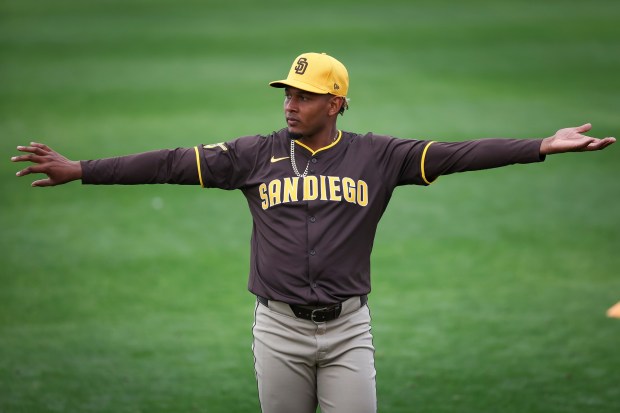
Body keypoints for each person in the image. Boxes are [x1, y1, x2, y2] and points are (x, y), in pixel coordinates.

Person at [11, 52, 615, 413]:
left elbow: (459, 154)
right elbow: (169, 162)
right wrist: (81, 170)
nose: (290, 104)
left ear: (336, 103)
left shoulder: (380, 157)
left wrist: (541, 145)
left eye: (304, 95)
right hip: (278, 329)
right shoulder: (253, 154)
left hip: (349, 329)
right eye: (288, 93)